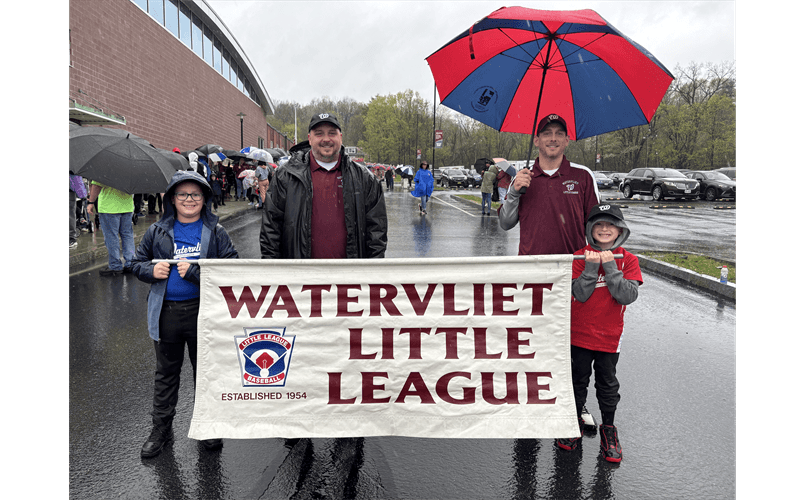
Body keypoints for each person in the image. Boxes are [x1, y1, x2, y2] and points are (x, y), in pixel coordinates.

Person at [132, 170, 239, 459]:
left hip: (203, 313)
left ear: (204, 199)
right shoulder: (157, 231)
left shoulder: (216, 231)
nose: (189, 199)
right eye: (182, 194)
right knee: (166, 374)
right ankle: (161, 430)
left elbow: (232, 269)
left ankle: (208, 426)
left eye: (195, 194)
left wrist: (195, 273)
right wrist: (150, 271)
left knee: (205, 374)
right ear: (172, 199)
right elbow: (136, 263)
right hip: (166, 313)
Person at [555, 203, 642, 463]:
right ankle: (573, 425)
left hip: (608, 337)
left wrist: (612, 268)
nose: (605, 229)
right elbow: (579, 294)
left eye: (611, 225)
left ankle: (608, 430)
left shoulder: (628, 259)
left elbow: (627, 295)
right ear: (590, 229)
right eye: (599, 225)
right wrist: (592, 267)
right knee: (576, 382)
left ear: (620, 230)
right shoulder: (579, 257)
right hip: (578, 335)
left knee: (607, 385)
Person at [260, 112, 387, 259]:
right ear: (310, 138)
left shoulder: (364, 178)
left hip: (350, 276)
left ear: (340, 137)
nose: (326, 139)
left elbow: (377, 232)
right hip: (301, 276)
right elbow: (271, 230)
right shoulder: (286, 176)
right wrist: (273, 272)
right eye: (319, 134)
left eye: (332, 133)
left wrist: (372, 272)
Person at [499, 114, 600, 255]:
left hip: (573, 266)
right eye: (547, 133)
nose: (553, 138)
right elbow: (505, 223)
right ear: (536, 140)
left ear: (566, 140)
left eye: (559, 133)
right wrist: (514, 193)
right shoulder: (521, 178)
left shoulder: (583, 176)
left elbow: (596, 224)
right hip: (530, 267)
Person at [86, 181, 136, 276]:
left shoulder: (104, 166)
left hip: (109, 206)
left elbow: (97, 185)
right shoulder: (130, 166)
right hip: (127, 204)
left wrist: (91, 202)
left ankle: (115, 265)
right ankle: (131, 262)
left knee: (111, 237)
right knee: (127, 235)